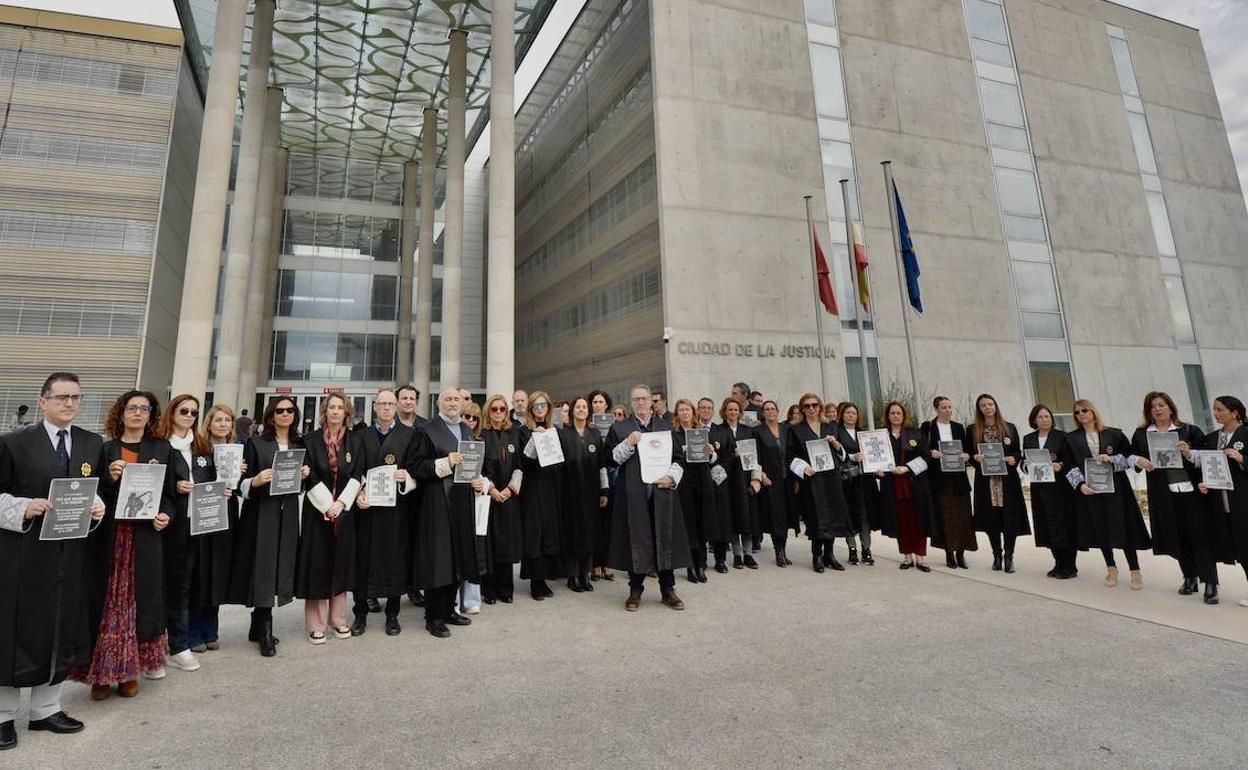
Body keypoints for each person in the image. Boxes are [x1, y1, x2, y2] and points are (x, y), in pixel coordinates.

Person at [0, 373, 106, 750]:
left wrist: (99, 507)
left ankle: (46, 710)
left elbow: (101, 492)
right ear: (42, 401)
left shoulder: (92, 444)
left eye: (76, 397)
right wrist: (22, 507)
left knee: (62, 625)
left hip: (72, 555)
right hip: (25, 554)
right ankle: (4, 716)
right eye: (61, 397)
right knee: (17, 628)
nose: (69, 404)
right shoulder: (14, 444)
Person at [74, 390, 176, 700]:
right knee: (108, 603)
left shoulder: (162, 448)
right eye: (132, 408)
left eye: (144, 409)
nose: (138, 413)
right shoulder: (104, 450)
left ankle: (130, 672)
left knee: (138, 602)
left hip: (145, 537)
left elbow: (170, 494)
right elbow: (91, 495)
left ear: (150, 415)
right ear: (121, 413)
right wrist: (108, 478)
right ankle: (101, 673)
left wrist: (165, 515)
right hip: (111, 537)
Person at [231, 397, 310, 657]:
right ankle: (265, 626)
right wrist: (255, 480)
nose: (285, 414)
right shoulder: (256, 444)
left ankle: (257, 622)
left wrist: (305, 476)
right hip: (261, 513)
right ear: (271, 415)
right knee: (264, 567)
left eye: (290, 410)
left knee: (281, 565)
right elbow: (240, 483)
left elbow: (302, 487)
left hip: (287, 513)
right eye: (280, 410)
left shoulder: (300, 443)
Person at [405, 388, 488, 638]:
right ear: (438, 403)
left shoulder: (465, 429)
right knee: (439, 559)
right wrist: (445, 463)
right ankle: (434, 616)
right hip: (436, 502)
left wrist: (477, 480)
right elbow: (415, 466)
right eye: (448, 399)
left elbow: (473, 462)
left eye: (456, 399)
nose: (453, 403)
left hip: (462, 499)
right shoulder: (426, 430)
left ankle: (450, 609)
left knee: (458, 556)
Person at [606, 384, 690, 611]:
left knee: (664, 538)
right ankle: (635, 590)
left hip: (661, 492)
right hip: (634, 494)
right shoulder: (620, 428)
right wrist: (629, 443)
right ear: (631, 403)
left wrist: (672, 478)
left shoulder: (665, 427)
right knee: (637, 539)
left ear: (651, 402)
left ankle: (668, 589)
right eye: (636, 399)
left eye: (644, 399)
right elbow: (611, 460)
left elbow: (679, 458)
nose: (641, 403)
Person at [156, 394, 220, 672]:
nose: (189, 416)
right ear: (172, 412)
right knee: (173, 587)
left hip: (199, 525)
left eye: (194, 412)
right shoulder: (160, 446)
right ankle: (175, 645)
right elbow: (150, 483)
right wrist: (175, 487)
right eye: (184, 410)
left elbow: (212, 480)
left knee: (191, 584)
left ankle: (182, 639)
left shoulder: (201, 447)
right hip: (170, 527)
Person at [295, 394, 361, 645]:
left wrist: (341, 504)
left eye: (339, 407)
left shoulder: (354, 440)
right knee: (318, 564)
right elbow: (308, 475)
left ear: (346, 412)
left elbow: (357, 472)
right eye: (331, 407)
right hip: (317, 511)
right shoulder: (309, 440)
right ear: (325, 411)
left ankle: (339, 620)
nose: (335, 411)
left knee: (339, 564)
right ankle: (316, 625)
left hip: (344, 511)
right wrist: (327, 505)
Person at [1130, 392, 1211, 600]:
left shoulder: (1189, 431)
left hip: (1193, 492)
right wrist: (1140, 461)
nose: (1158, 409)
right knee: (1178, 536)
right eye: (1153, 407)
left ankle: (1210, 582)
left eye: (1162, 405)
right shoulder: (1142, 434)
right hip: (1164, 494)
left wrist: (1189, 453)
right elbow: (1130, 454)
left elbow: (1207, 458)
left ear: (1171, 407)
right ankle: (1189, 576)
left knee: (1200, 536)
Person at [350, 389, 418, 635]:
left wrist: (406, 478)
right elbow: (353, 471)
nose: (387, 407)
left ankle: (392, 615)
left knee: (395, 561)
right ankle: (360, 615)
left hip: (396, 511)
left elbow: (416, 470)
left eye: (391, 403)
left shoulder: (409, 435)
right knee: (363, 561)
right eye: (383, 404)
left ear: (397, 406)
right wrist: (357, 495)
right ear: (375, 407)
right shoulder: (361, 436)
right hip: (367, 509)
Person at [1065, 399, 1150, 590]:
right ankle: (1111, 567)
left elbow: (1129, 458)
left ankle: (1135, 570)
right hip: (1091, 490)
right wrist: (1079, 485)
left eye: (1084, 410)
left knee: (1125, 527)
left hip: (1117, 489)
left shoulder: (1114, 434)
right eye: (1076, 412)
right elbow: (1068, 465)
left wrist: (1112, 459)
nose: (1081, 415)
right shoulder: (1070, 439)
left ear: (1093, 411)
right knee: (1100, 527)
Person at [193, 404, 242, 649]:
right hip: (204, 513)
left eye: (228, 420)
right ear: (209, 423)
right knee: (200, 570)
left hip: (227, 512)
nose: (223, 424)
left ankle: (211, 629)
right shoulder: (198, 450)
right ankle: (194, 632)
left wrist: (242, 473)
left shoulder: (237, 450)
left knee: (218, 570)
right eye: (218, 420)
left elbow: (244, 487)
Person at [787, 393, 850, 572]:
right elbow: (790, 456)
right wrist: (804, 468)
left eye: (814, 405)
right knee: (815, 518)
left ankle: (829, 555)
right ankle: (817, 555)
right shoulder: (795, 429)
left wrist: (837, 445)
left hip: (831, 479)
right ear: (802, 409)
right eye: (807, 406)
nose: (811, 408)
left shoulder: (830, 426)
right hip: (812, 480)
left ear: (820, 407)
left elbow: (842, 454)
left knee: (833, 516)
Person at [968, 394, 1028, 573]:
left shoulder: (1009, 428)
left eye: (990, 404)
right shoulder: (972, 429)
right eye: (983, 405)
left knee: (1009, 518)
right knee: (991, 519)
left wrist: (1014, 459)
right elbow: (969, 454)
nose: (988, 407)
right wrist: (974, 458)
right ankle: (997, 555)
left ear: (995, 405)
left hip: (1007, 481)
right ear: (979, 409)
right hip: (986, 482)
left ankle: (1009, 556)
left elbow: (1018, 452)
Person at [1196, 396, 1247, 606]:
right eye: (1214, 410)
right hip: (1220, 500)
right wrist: (1205, 482)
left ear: (1234, 412)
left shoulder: (1246, 433)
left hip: (1243, 498)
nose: (1216, 413)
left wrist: (1242, 459)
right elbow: (1207, 465)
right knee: (1234, 542)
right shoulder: (1211, 438)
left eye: (1220, 409)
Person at [876, 401, 935, 572]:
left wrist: (907, 468)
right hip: (892, 486)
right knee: (901, 522)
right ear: (888, 416)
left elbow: (926, 457)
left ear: (903, 416)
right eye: (892, 413)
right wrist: (877, 472)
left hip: (914, 485)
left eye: (898, 413)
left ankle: (921, 559)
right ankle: (907, 557)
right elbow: (876, 460)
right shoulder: (881, 436)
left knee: (918, 521)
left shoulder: (915, 434)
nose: (895, 416)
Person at [921, 396, 976, 570]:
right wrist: (931, 453)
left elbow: (968, 450)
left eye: (950, 407)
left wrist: (967, 456)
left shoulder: (959, 428)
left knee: (962, 515)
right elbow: (921, 449)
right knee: (945, 516)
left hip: (958, 478)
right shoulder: (928, 427)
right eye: (944, 407)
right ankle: (949, 553)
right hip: (940, 479)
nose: (948, 410)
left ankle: (961, 553)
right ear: (936, 409)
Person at [1023, 405, 1077, 579]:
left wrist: (1060, 465)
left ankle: (1069, 566)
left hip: (1060, 488)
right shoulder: (1029, 438)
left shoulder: (1063, 437)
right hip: (1039, 487)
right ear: (1034, 420)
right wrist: (1026, 466)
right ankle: (1057, 563)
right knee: (1047, 526)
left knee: (1062, 525)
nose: (1044, 419)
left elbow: (1071, 460)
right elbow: (1024, 463)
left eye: (1047, 416)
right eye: (1040, 417)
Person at [520, 391, 564, 600]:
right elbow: (523, 462)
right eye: (535, 406)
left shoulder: (554, 430)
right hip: (532, 488)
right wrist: (534, 440)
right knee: (535, 534)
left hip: (552, 488)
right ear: (530, 409)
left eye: (542, 405)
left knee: (549, 532)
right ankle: (535, 582)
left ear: (548, 408)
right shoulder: (523, 431)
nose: (539, 409)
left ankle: (545, 578)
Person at [560, 395, 608, 592]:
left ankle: (585, 574)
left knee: (589, 532)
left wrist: (604, 490)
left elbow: (602, 465)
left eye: (584, 407)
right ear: (572, 411)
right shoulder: (563, 434)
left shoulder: (595, 434)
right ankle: (572, 576)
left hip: (591, 491)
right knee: (572, 532)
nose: (581, 409)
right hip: (569, 491)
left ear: (588, 411)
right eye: (577, 407)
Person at [481, 395, 524, 602]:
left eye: (502, 409)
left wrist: (509, 489)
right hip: (488, 496)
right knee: (490, 544)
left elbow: (520, 465)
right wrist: (491, 489)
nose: (498, 413)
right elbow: (478, 468)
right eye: (494, 409)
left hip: (509, 497)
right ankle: (489, 590)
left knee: (506, 543)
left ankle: (506, 590)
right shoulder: (481, 434)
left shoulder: (514, 432)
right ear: (488, 411)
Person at [672, 398, 718, 582]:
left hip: (703, 480)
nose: (685, 413)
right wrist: (684, 450)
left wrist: (711, 452)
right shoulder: (673, 434)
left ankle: (701, 564)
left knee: (703, 521)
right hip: (684, 483)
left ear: (693, 412)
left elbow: (714, 459)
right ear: (677, 414)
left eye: (688, 410)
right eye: (681, 410)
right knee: (689, 524)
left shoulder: (702, 432)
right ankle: (691, 565)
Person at [712, 398, 760, 569]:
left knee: (747, 516)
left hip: (745, 478)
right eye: (730, 409)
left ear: (740, 412)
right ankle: (737, 554)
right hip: (728, 480)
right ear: (724, 411)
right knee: (732, 516)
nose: (733, 412)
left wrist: (756, 478)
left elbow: (756, 457)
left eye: (736, 409)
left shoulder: (748, 431)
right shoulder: (718, 430)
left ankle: (748, 554)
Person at [397, 384, 426, 608]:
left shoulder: (426, 427)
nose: (408, 401)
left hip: (418, 493)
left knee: (416, 541)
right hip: (391, 495)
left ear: (417, 402)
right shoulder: (388, 425)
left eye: (412, 398)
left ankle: (413, 586)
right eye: (404, 398)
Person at [836, 401, 875, 565]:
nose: (851, 415)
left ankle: (866, 548)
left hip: (864, 480)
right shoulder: (837, 433)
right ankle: (852, 548)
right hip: (847, 480)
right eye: (848, 413)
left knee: (864, 515)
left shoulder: (864, 433)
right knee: (849, 514)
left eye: (854, 413)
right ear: (842, 415)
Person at [756, 400, 793, 567]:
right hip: (770, 480)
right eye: (767, 409)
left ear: (778, 411)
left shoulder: (786, 430)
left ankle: (784, 549)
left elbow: (793, 453)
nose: (770, 411)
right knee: (775, 516)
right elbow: (755, 456)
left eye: (773, 409)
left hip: (787, 479)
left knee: (785, 516)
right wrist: (761, 474)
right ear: (763, 413)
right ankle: (778, 551)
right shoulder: (757, 431)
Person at [588, 389, 617, 582]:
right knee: (595, 522)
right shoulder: (587, 427)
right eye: (594, 402)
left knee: (609, 523)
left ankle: (607, 562)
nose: (597, 405)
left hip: (612, 477)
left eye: (600, 402)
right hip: (593, 477)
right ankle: (595, 564)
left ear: (607, 405)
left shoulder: (615, 426)